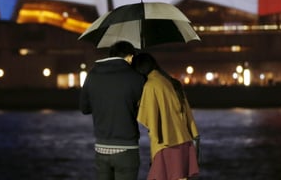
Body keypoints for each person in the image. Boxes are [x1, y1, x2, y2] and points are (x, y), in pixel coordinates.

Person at [80, 40, 146, 180]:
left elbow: (84, 109)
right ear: (130, 57)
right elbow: (145, 109)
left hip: (101, 147)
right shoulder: (136, 78)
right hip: (127, 149)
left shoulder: (92, 74)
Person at [132, 52, 200, 180]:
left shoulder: (150, 86)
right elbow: (188, 117)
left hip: (166, 146)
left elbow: (151, 123)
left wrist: (153, 156)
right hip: (184, 143)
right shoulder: (172, 82)